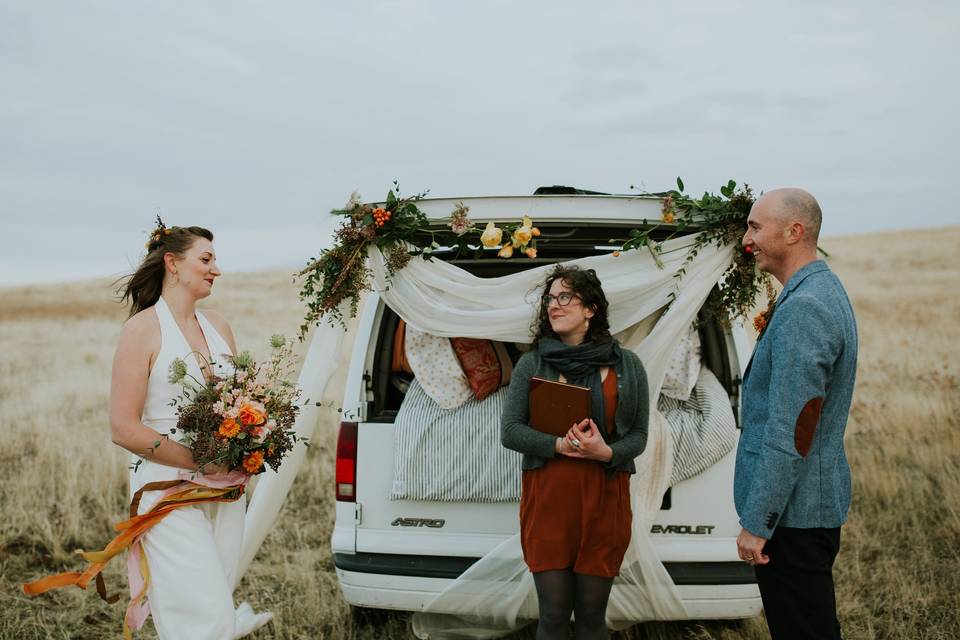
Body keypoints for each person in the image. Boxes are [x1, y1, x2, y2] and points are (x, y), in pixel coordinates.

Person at [111, 220, 273, 639]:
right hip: (166, 489)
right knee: (206, 619)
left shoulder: (219, 325)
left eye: (215, 260)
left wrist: (250, 441)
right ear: (173, 264)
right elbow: (123, 428)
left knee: (213, 597)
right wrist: (199, 461)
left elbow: (238, 400)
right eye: (206, 259)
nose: (216, 269)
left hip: (224, 488)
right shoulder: (141, 330)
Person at [501, 265, 649, 639]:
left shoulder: (628, 366)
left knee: (591, 620)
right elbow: (511, 431)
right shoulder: (532, 364)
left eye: (565, 297)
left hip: (604, 502)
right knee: (551, 618)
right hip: (549, 501)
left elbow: (639, 436)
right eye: (550, 298)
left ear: (590, 309)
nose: (554, 305)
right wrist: (557, 445)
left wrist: (605, 452)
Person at [735, 188, 858, 639]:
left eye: (755, 227)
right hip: (804, 508)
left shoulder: (806, 307)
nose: (747, 239)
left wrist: (757, 522)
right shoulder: (817, 289)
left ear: (794, 231)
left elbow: (792, 429)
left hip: (794, 516)